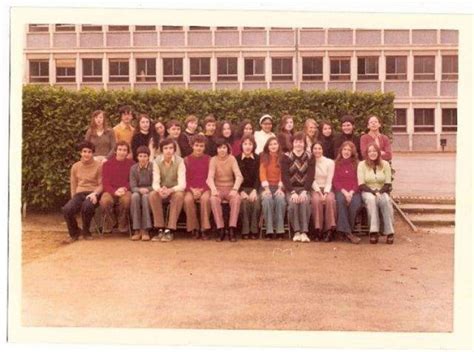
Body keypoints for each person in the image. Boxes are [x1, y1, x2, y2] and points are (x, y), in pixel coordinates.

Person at [62, 141, 103, 243]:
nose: (87, 154)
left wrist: (95, 194)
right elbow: (73, 184)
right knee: (67, 209)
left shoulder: (99, 166)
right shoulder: (75, 166)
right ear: (80, 153)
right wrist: (73, 199)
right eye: (84, 151)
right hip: (79, 193)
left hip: (93, 194)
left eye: (89, 152)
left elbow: (102, 184)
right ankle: (74, 233)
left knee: (87, 206)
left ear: (92, 153)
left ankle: (86, 231)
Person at [148, 137, 186, 242]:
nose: (168, 150)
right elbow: (155, 182)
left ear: (174, 150)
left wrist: (170, 190)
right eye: (165, 148)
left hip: (175, 190)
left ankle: (170, 229)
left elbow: (182, 184)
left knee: (179, 196)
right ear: (161, 150)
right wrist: (160, 190)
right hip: (162, 189)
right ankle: (159, 228)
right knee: (152, 195)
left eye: (171, 148)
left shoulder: (180, 161)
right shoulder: (157, 161)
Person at [207, 138, 243, 242]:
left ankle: (232, 229)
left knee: (236, 199)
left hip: (230, 188)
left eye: (224, 147)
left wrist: (235, 189)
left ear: (227, 149)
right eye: (219, 148)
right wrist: (213, 189)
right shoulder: (213, 160)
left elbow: (239, 176)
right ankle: (221, 229)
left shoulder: (232, 159)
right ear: (216, 149)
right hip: (218, 188)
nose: (222, 150)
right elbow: (210, 177)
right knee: (213, 200)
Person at [357, 143, 394, 244]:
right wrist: (373, 192)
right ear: (367, 153)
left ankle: (389, 232)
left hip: (382, 190)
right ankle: (374, 232)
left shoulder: (385, 164)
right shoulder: (362, 164)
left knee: (386, 200)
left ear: (378, 152)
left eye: (374, 151)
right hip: (367, 191)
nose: (372, 153)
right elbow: (361, 184)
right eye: (370, 151)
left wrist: (379, 192)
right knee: (371, 200)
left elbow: (387, 183)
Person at [281, 132, 313, 243]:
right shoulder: (286, 157)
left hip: (305, 188)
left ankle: (304, 232)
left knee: (304, 202)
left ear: (304, 144)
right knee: (293, 204)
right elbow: (285, 177)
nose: (298, 144)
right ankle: (296, 232)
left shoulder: (309, 157)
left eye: (301, 142)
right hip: (291, 189)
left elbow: (310, 176)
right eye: (296, 142)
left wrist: (305, 191)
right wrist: (293, 192)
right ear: (292, 143)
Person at [99, 141, 135, 233]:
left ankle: (123, 224)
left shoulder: (132, 164)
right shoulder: (107, 164)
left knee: (126, 201)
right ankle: (111, 222)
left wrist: (124, 189)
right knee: (105, 201)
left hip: (125, 190)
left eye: (124, 150)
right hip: (111, 190)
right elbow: (105, 182)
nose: (122, 152)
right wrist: (114, 191)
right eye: (120, 149)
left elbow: (132, 181)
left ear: (127, 152)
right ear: (115, 151)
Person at [332, 141, 362, 244]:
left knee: (355, 204)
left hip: (354, 191)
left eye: (349, 150)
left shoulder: (357, 164)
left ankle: (343, 231)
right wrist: (345, 192)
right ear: (341, 150)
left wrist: (352, 192)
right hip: (341, 190)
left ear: (352, 152)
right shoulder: (336, 163)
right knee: (340, 201)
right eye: (345, 149)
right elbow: (335, 181)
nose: (346, 152)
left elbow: (359, 181)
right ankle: (349, 233)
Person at [183, 134, 212, 240]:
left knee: (205, 199)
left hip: (205, 188)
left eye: (201, 146)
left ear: (204, 147)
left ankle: (204, 228)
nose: (199, 148)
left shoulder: (209, 159)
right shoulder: (186, 160)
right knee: (187, 200)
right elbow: (184, 178)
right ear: (192, 146)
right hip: (190, 188)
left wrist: (202, 190)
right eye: (196, 145)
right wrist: (191, 189)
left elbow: (210, 177)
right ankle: (194, 228)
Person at [259, 137, 286, 240]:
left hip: (279, 187)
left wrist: (280, 188)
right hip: (267, 187)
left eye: (275, 144)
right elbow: (262, 173)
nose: (273, 146)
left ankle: (280, 231)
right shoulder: (264, 157)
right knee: (267, 200)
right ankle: (269, 230)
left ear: (278, 145)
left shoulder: (283, 157)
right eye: (270, 144)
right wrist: (266, 189)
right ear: (267, 146)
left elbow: (283, 174)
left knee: (280, 200)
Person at [309, 141, 336, 242]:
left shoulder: (330, 162)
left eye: (319, 148)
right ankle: (318, 229)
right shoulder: (309, 162)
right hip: (315, 188)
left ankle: (329, 230)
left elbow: (329, 179)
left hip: (327, 188)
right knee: (316, 201)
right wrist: (319, 193)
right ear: (312, 150)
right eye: (315, 148)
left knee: (330, 200)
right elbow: (311, 179)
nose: (317, 151)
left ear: (323, 150)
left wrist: (325, 193)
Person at [236, 135, 260, 240]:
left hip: (254, 188)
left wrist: (255, 190)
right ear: (241, 145)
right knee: (244, 203)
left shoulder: (258, 158)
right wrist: (241, 191)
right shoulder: (236, 159)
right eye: (245, 144)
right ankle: (245, 230)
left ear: (253, 146)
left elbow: (259, 177)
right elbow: (234, 177)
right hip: (241, 188)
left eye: (250, 144)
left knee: (256, 203)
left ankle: (254, 230)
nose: (248, 146)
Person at [129, 145, 154, 241]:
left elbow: (156, 184)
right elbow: (132, 186)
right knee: (134, 196)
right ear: (137, 157)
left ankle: (145, 229)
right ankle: (137, 229)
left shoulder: (152, 167)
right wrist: (139, 190)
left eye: (145, 156)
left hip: (149, 191)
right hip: (137, 191)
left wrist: (147, 189)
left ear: (148, 157)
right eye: (140, 156)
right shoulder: (133, 168)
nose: (143, 158)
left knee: (145, 197)